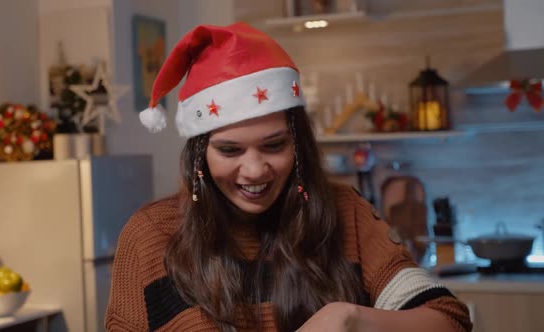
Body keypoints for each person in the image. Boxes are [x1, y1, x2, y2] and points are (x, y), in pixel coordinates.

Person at [105, 22, 472, 332]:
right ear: (198, 154)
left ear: (298, 144)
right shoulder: (150, 236)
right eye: (230, 150)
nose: (254, 170)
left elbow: (449, 318)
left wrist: (350, 317)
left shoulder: (346, 213)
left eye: (274, 145)